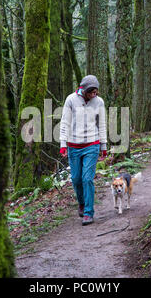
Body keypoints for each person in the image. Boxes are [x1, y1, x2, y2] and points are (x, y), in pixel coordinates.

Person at [59, 75, 107, 226]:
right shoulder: (71, 99)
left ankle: (88, 212)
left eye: (96, 92)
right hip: (73, 146)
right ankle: (81, 202)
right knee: (76, 179)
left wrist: (104, 146)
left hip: (92, 145)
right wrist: (63, 143)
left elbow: (102, 124)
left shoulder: (99, 102)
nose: (94, 95)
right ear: (84, 90)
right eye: (91, 92)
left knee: (87, 179)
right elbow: (65, 122)